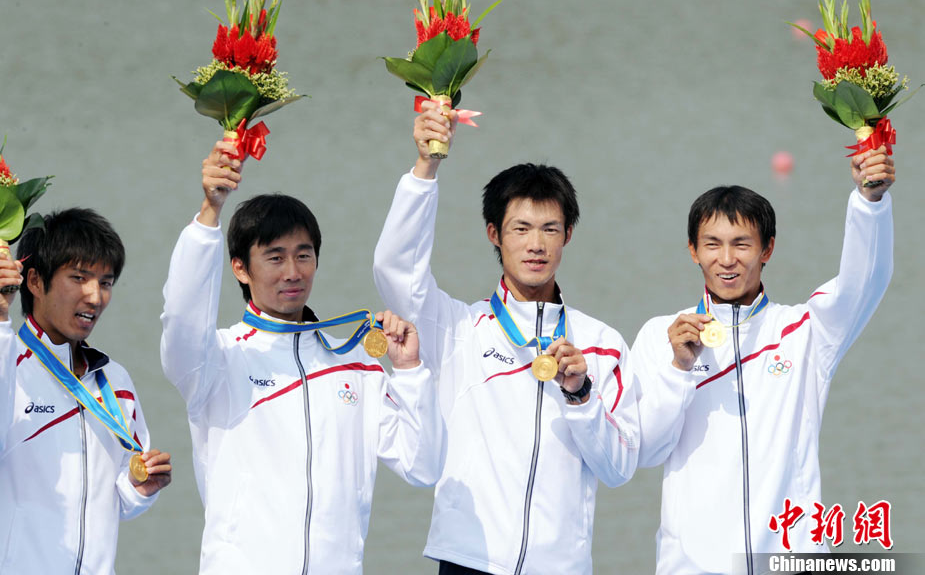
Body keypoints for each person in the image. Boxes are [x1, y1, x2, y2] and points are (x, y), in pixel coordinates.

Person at [373, 101, 639, 575]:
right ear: (494, 234)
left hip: (560, 568)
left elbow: (618, 469)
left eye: (549, 229)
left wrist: (581, 396)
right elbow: (396, 268)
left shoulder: (602, 343)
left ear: (568, 235)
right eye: (521, 229)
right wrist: (426, 167)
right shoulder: (455, 328)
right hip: (469, 560)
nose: (536, 244)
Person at [161, 139, 442, 574]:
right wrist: (209, 213)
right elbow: (181, 316)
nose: (292, 272)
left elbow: (422, 466)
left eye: (303, 256)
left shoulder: (356, 364)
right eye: (274, 257)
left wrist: (409, 370)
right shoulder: (216, 359)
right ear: (240, 268)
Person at [630, 147, 895, 574]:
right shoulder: (661, 336)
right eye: (712, 244)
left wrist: (870, 202)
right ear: (693, 251)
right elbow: (644, 451)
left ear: (767, 248)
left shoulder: (805, 331)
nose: (727, 259)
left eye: (742, 244)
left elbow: (863, 282)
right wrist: (679, 369)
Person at [0, 208, 172, 574]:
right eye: (79, 278)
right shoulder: (9, 365)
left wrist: (139, 486)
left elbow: (118, 500)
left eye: (105, 282)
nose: (95, 296)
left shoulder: (115, 381)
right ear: (35, 281)